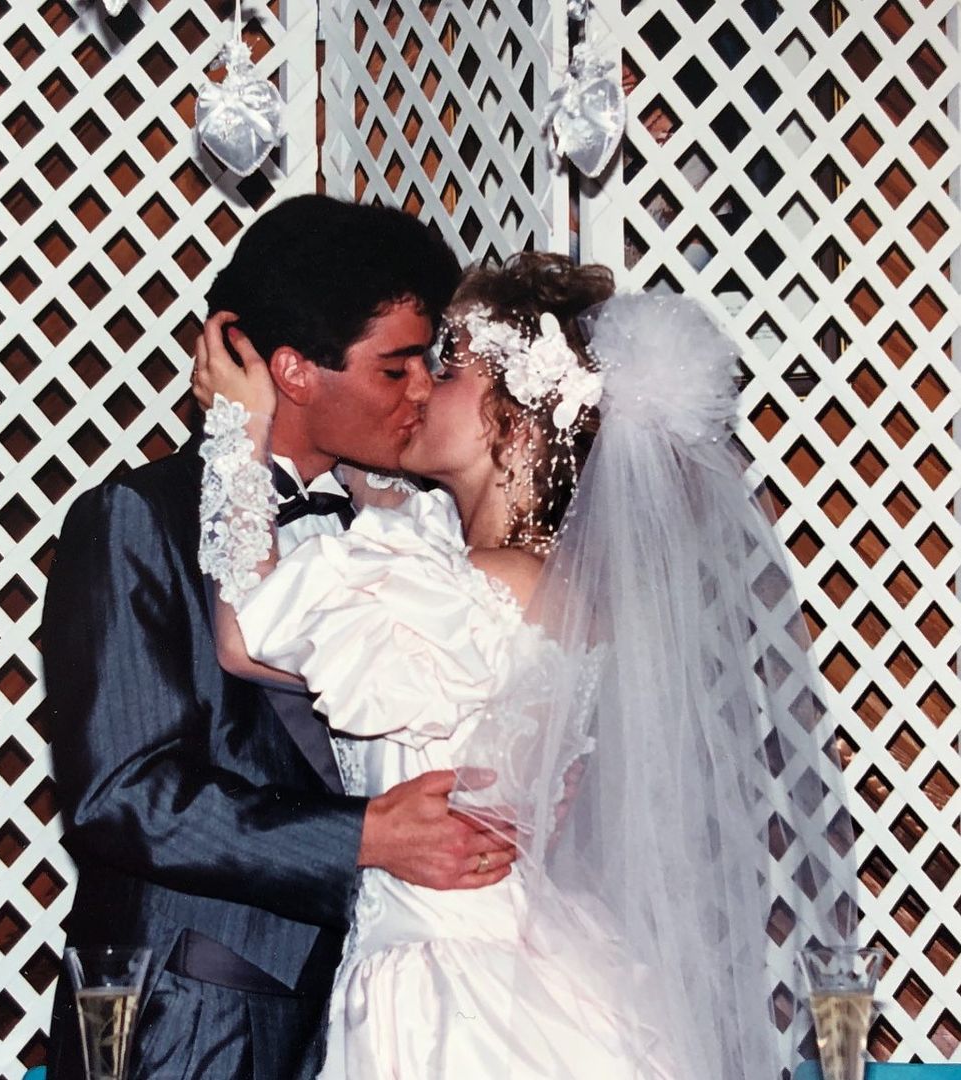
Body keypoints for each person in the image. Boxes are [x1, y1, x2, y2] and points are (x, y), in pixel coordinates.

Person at [194, 252, 858, 1078]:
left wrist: (235, 432)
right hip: (504, 964)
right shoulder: (517, 581)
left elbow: (246, 640)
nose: (423, 386)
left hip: (456, 1001)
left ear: (519, 415)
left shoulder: (491, 585)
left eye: (453, 365)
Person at [43, 194, 517, 1080]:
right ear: (295, 371)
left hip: (402, 1016)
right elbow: (123, 793)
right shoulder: (137, 521)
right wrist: (360, 837)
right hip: (201, 1019)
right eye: (396, 369)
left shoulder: (420, 530)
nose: (421, 392)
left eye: (432, 366)